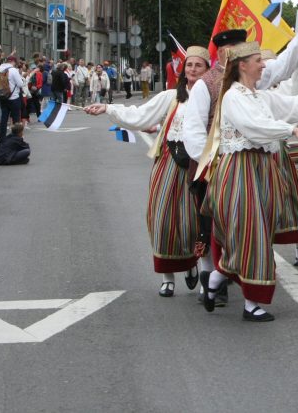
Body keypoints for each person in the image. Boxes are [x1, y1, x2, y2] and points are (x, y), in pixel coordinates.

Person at [199, 41, 298, 322]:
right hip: (240, 170)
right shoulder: (233, 97)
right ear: (242, 65)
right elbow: (255, 127)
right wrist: (290, 129)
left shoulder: (260, 96)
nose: (263, 65)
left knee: (259, 233)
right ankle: (251, 303)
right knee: (251, 233)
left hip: (263, 169)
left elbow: (297, 105)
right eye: (258, 60)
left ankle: (216, 279)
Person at [85, 47, 211, 297]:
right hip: (169, 163)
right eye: (189, 65)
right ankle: (167, 276)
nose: (193, 70)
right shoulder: (170, 97)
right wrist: (109, 109)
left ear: (207, 70)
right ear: (183, 70)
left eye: (199, 66)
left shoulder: (214, 97)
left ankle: (194, 265)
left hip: (199, 165)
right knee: (163, 220)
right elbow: (140, 115)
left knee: (196, 222)